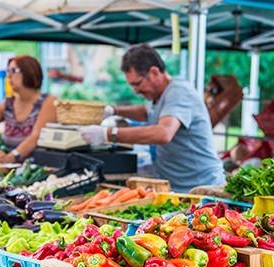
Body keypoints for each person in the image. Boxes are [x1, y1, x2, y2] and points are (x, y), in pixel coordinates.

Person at [80, 44, 225, 192]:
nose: (136, 91)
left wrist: (107, 134)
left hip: (201, 187)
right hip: (175, 185)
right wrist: (114, 110)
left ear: (154, 72)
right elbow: (146, 112)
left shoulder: (179, 92)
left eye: (137, 84)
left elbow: (163, 133)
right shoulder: (157, 94)